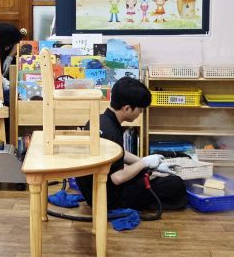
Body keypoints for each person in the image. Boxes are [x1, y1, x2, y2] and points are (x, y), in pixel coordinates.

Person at [75, 77, 187, 219]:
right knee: (175, 184)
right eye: (140, 109)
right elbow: (117, 177)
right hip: (109, 198)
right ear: (127, 108)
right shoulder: (112, 132)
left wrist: (145, 162)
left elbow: (118, 152)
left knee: (144, 172)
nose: (140, 113)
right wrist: (144, 163)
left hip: (92, 192)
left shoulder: (100, 121)